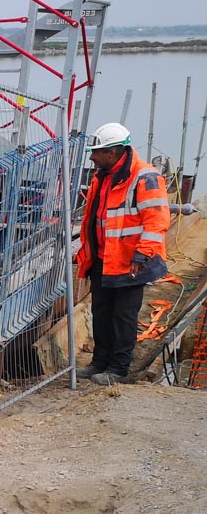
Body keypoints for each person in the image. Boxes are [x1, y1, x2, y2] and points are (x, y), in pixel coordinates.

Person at [75, 122, 170, 385]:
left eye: (97, 152)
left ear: (114, 152)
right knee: (102, 313)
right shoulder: (102, 176)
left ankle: (118, 369)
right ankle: (99, 362)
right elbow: (94, 219)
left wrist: (143, 255)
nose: (92, 157)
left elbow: (157, 221)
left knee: (123, 316)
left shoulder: (145, 177)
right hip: (103, 259)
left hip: (131, 261)